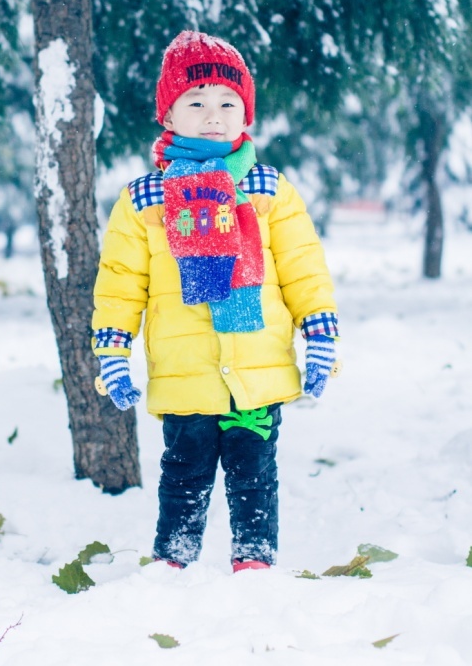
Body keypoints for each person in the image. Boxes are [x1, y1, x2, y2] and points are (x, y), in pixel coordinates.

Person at [92, 30, 339, 572]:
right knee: (184, 467)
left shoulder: (269, 188)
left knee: (254, 468)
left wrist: (320, 335)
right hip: (185, 372)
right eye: (196, 101)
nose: (214, 114)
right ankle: (172, 561)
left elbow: (304, 268)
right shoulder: (143, 199)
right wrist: (112, 350)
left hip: (258, 365)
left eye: (229, 102)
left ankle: (254, 559)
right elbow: (119, 282)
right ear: (169, 114)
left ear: (245, 113)